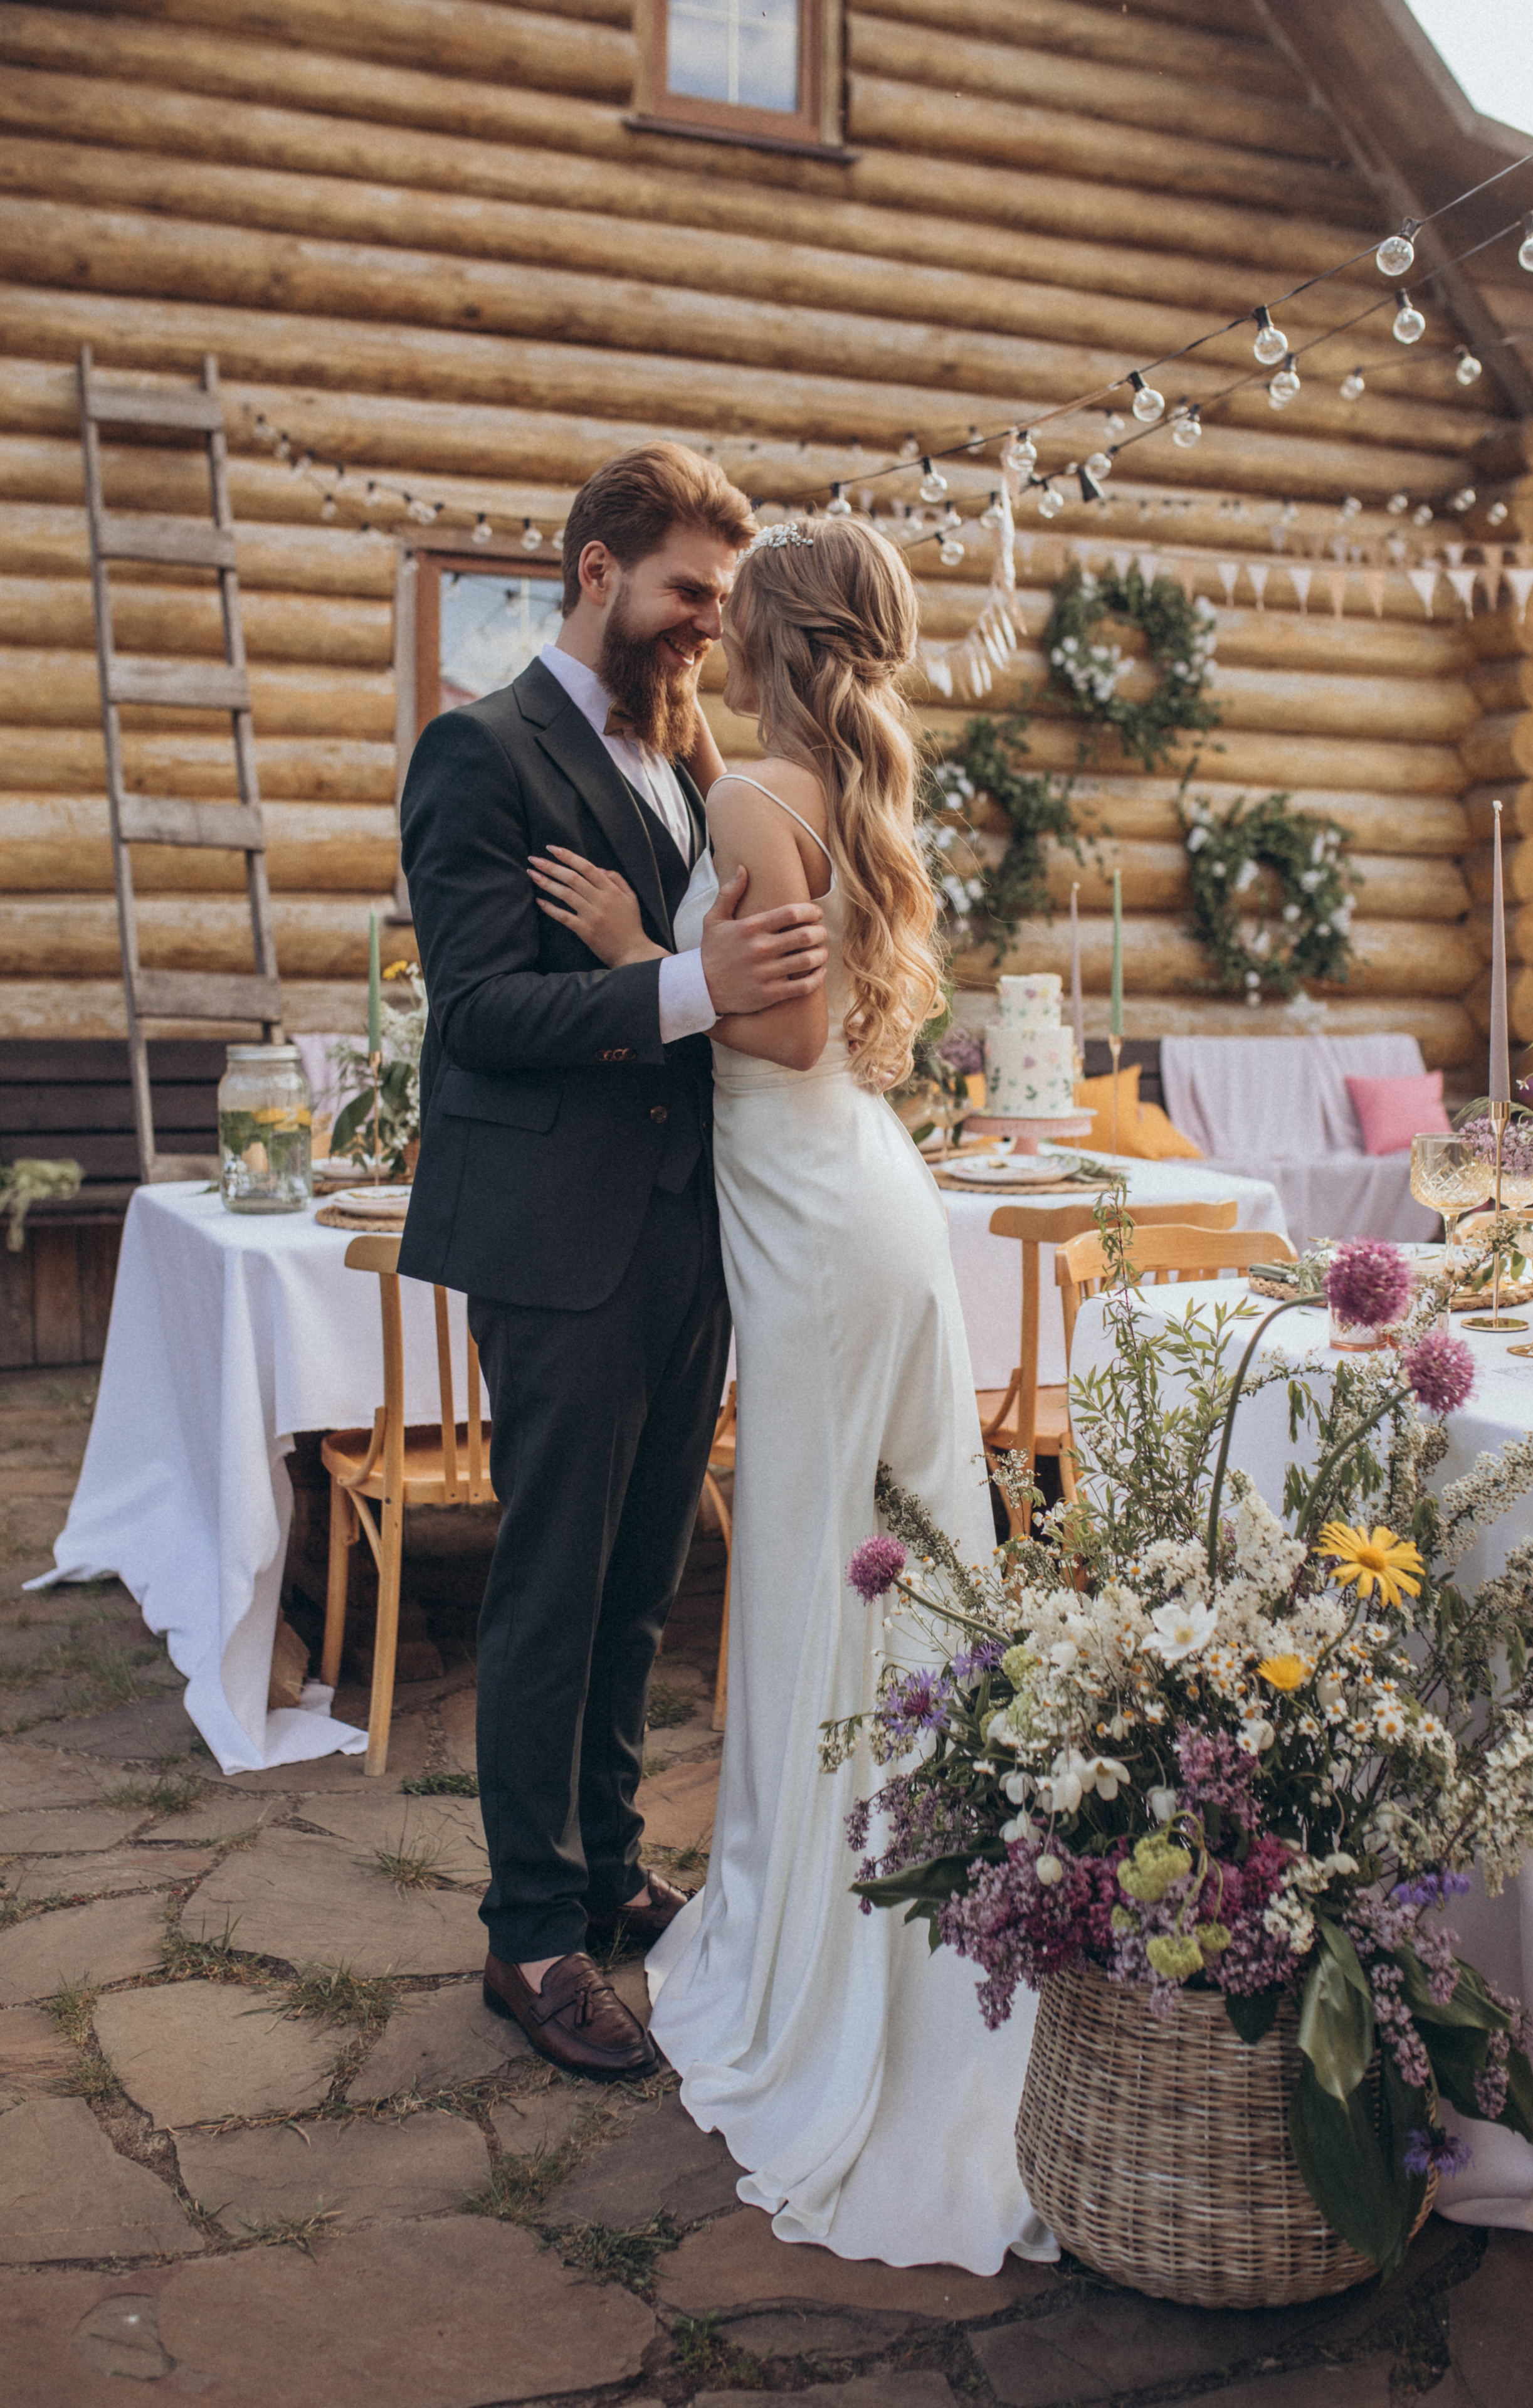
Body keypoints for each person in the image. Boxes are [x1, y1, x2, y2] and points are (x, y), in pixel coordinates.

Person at [529, 513, 1055, 2274]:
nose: (715, 628)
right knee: (886, 1574)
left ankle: (832, 1961)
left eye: (733, 610)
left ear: (776, 635)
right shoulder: (824, 788)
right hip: (855, 1194)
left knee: (825, 1569)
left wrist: (633, 943)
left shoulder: (761, 799)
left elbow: (782, 1031)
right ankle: (904, 1914)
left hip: (819, 1217)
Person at [398, 443, 829, 2083]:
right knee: (551, 1586)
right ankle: (529, 1934)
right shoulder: (479, 751)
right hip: (556, 1233)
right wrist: (687, 987)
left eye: (721, 598)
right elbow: (479, 1011)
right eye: (687, 593)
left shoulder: (683, 756)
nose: (709, 623)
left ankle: (603, 1868)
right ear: (596, 572)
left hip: (686, 1228)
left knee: (643, 1577)